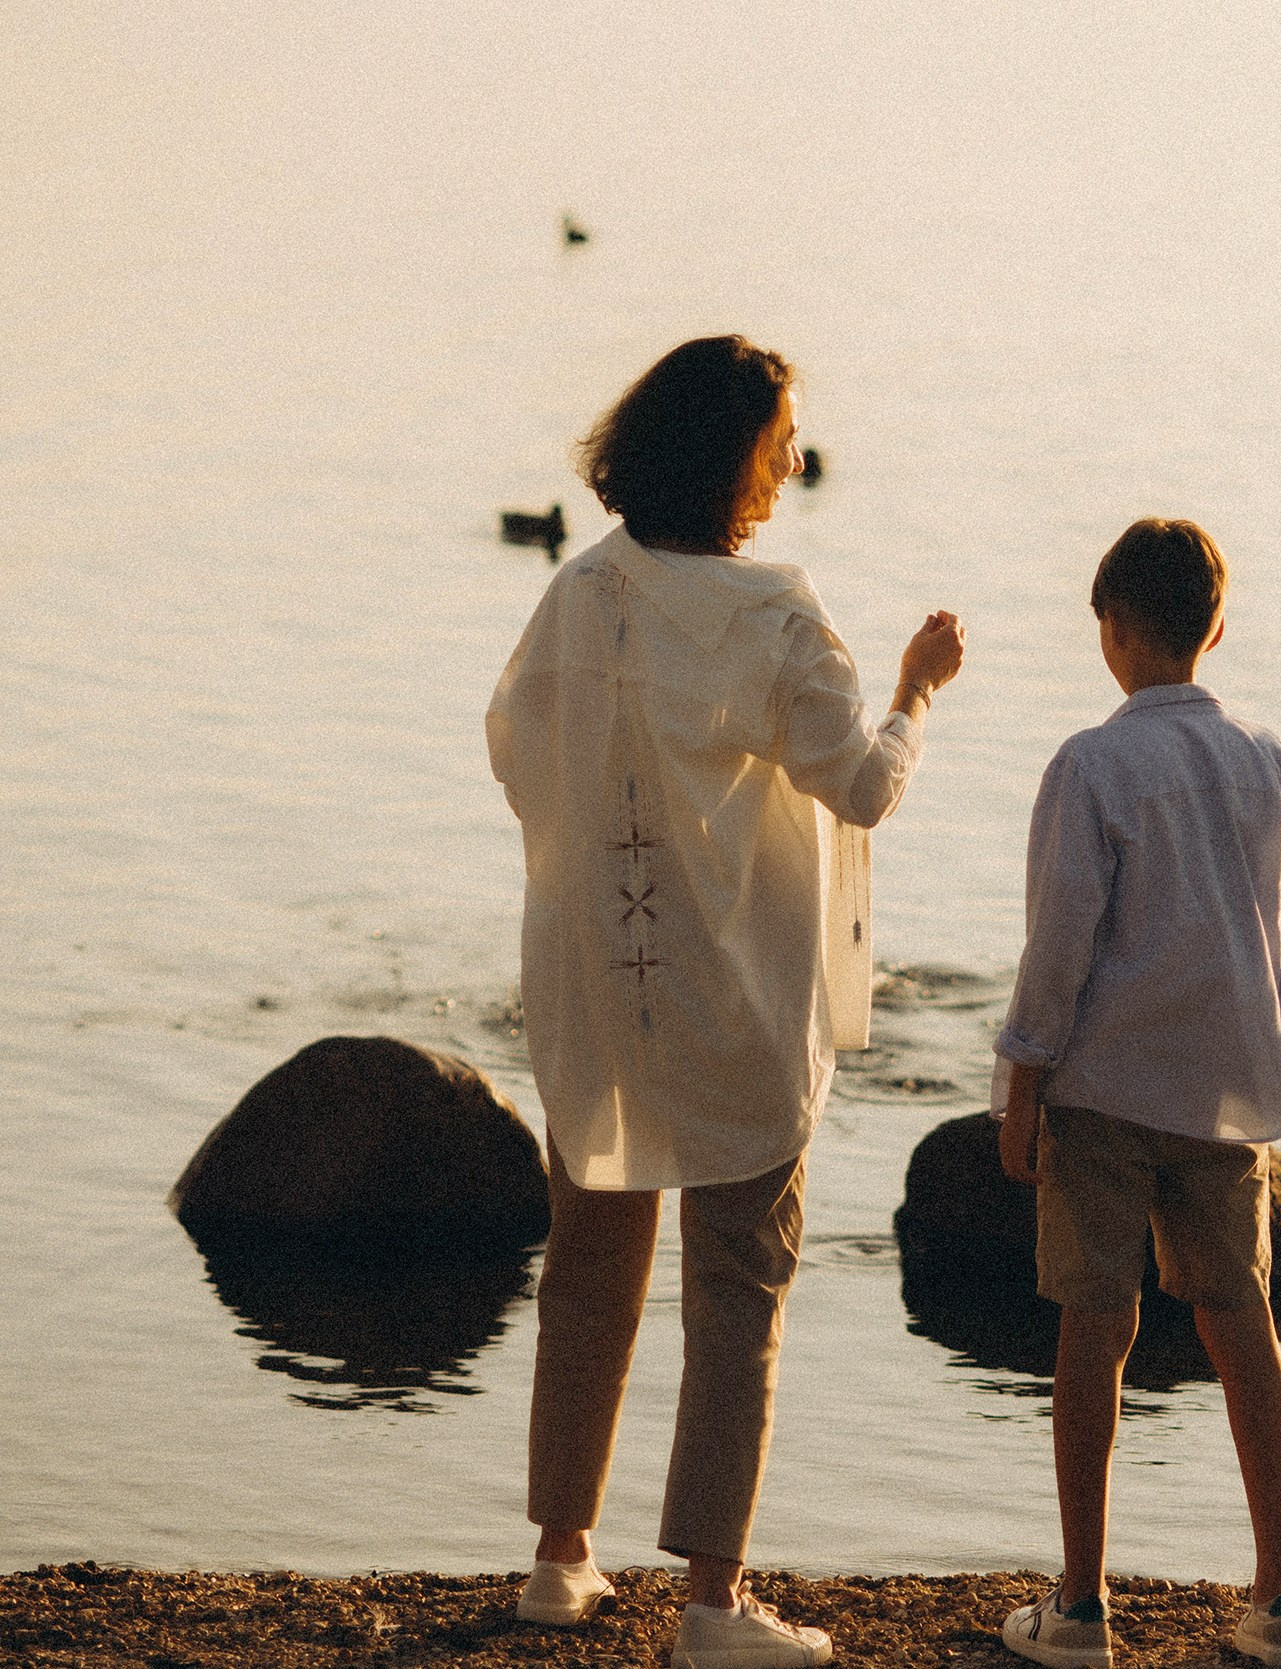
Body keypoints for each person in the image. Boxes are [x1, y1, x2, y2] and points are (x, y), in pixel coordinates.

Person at [485, 335, 966, 1669]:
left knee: (588, 1270)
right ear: (726, 456)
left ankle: (559, 1561)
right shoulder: (778, 612)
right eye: (778, 442)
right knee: (738, 1289)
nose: (792, 463)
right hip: (739, 993)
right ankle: (711, 1605)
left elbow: (516, 750)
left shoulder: (582, 596)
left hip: (602, 986)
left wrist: (608, 852)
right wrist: (917, 694)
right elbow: (859, 786)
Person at [990, 518, 1281, 1669]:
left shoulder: (1091, 763)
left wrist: (1022, 1079)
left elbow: (1060, 943)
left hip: (1105, 1081)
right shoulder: (1266, 759)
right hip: (1223, 1088)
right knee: (1239, 1318)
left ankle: (1081, 1604)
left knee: (1097, 1320)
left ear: (1113, 632)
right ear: (1216, 628)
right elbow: (1276, 928)